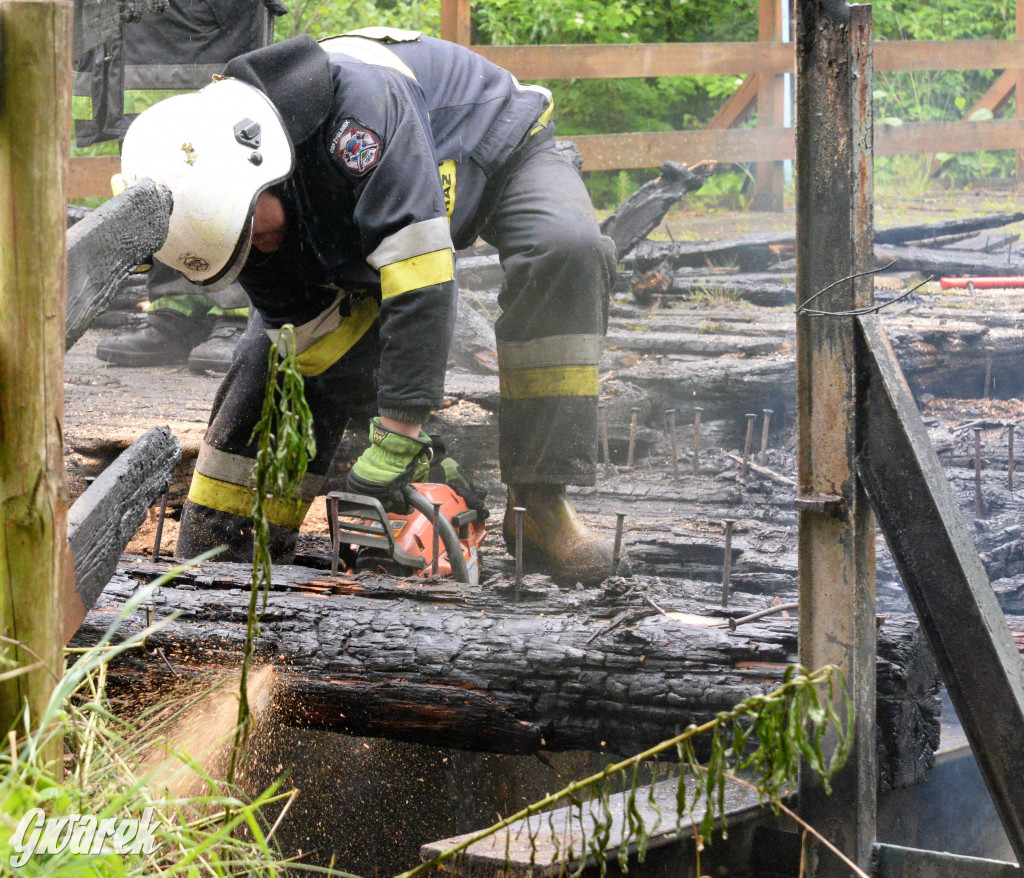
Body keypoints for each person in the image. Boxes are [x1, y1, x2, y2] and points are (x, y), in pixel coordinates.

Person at [118, 28, 621, 583]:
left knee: (566, 249)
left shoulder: (358, 115)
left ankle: (540, 503)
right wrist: (390, 441)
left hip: (492, 147)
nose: (253, 253)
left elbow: (423, 277)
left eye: (249, 235)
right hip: (349, 218)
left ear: (263, 174)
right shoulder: (222, 199)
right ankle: (228, 572)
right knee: (274, 370)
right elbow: (315, 339)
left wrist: (402, 431)